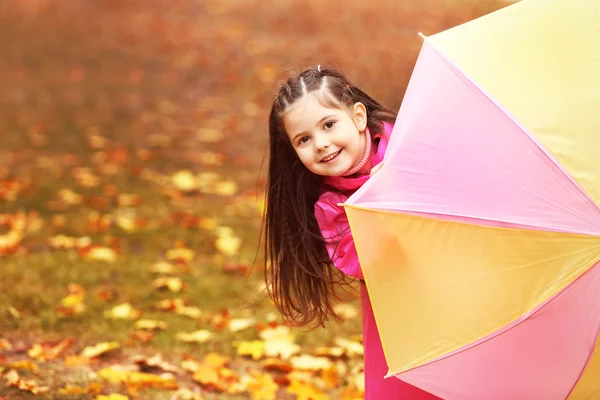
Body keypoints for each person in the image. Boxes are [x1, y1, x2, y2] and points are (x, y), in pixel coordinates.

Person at [264, 65, 441, 399]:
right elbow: (369, 264)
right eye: (304, 139)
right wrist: (379, 207)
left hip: (466, 276)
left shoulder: (411, 148)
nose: (321, 144)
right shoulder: (332, 208)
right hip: (405, 312)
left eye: (329, 125)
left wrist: (405, 184)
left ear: (358, 117)